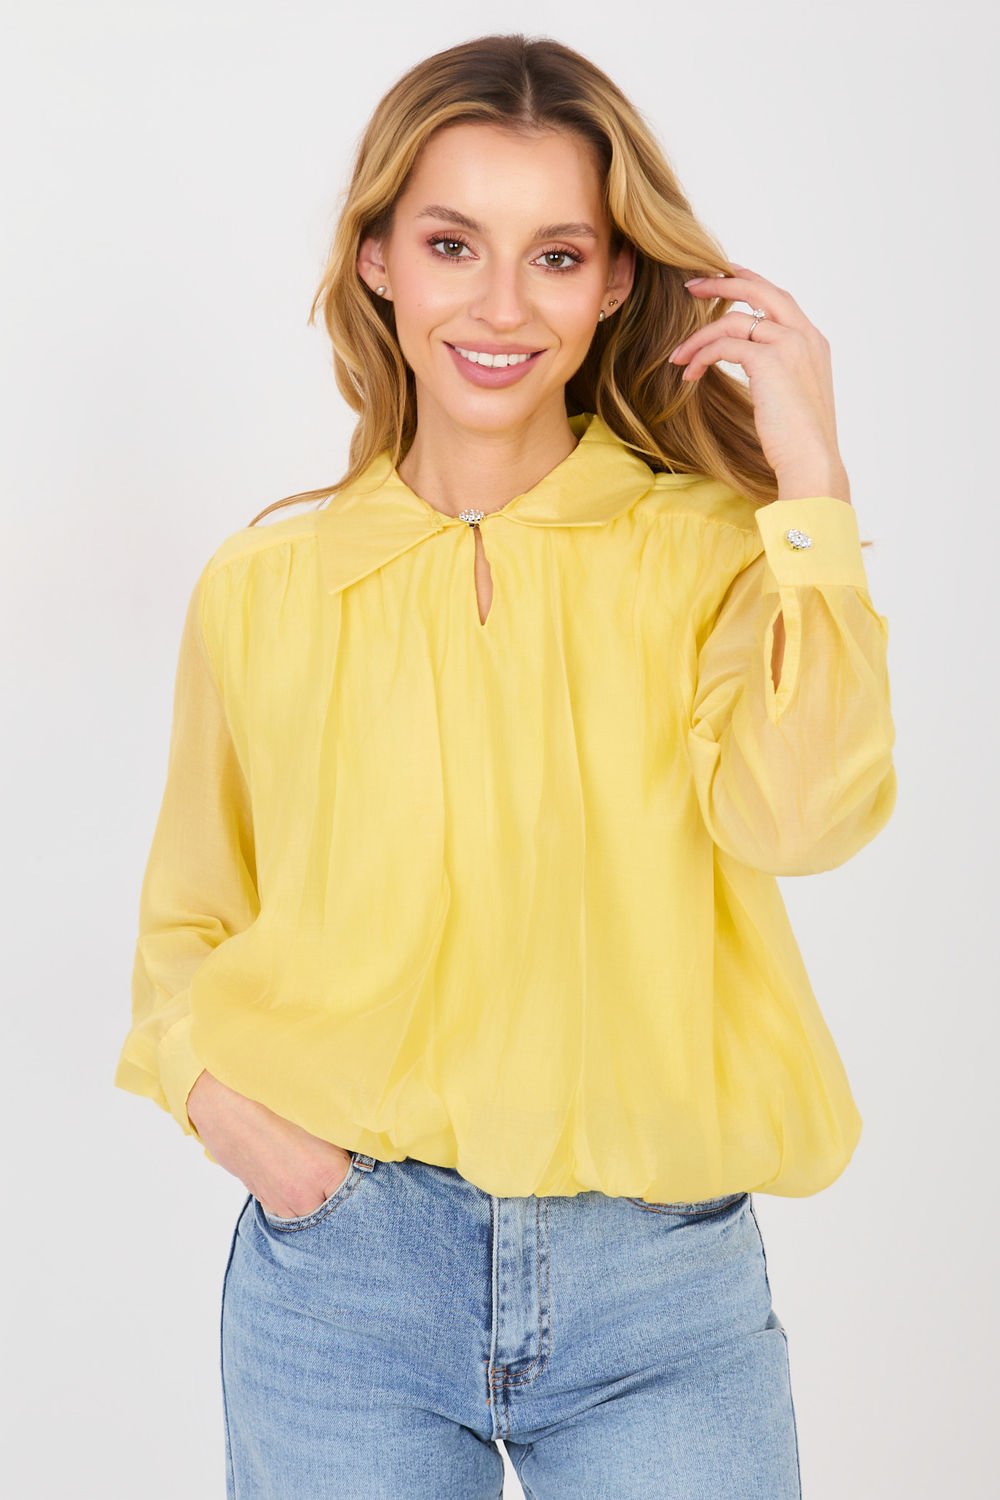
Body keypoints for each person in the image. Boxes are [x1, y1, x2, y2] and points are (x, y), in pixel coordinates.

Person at [113, 31, 897, 1500]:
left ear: (613, 282)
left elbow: (804, 820)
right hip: (343, 1284)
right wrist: (231, 1112)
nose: (499, 305)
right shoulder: (264, 588)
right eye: (452, 243)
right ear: (377, 261)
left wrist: (814, 486)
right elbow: (189, 921)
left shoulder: (717, 554)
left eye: (555, 256)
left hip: (659, 1292)